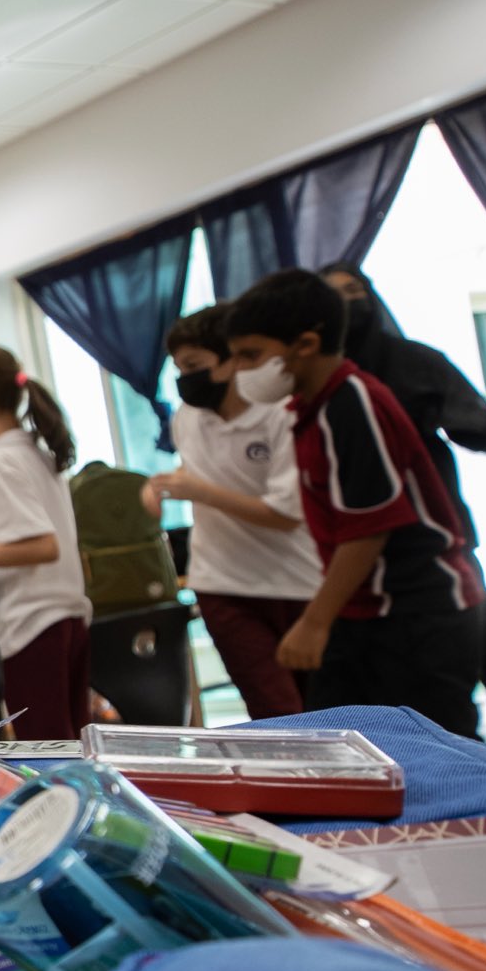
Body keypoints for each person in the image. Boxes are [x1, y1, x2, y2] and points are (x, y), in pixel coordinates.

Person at [321, 263, 486, 772]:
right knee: (474, 658)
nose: (348, 305)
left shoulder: (410, 363)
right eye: (334, 297)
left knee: (482, 656)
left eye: (356, 292)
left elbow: (472, 423)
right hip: (370, 565)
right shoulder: (319, 391)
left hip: (435, 544)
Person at [224, 270, 485, 738]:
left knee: (439, 759)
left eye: (251, 355)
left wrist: (314, 622)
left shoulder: (352, 403)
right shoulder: (311, 408)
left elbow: (368, 529)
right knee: (337, 745)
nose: (240, 371)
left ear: (305, 344)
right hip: (367, 614)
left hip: (417, 615)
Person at [145, 305, 325, 720]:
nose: (183, 378)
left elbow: (285, 513)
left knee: (326, 713)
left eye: (194, 365)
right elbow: (199, 473)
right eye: (177, 367)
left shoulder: (282, 414)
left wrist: (198, 491)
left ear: (233, 361)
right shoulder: (187, 418)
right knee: (276, 714)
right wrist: (159, 488)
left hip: (296, 584)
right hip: (223, 585)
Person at [0, 348, 91, 739]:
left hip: (32, 624)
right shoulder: (35, 453)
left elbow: (43, 545)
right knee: (73, 743)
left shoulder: (0, 462)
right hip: (65, 617)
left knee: (47, 750)